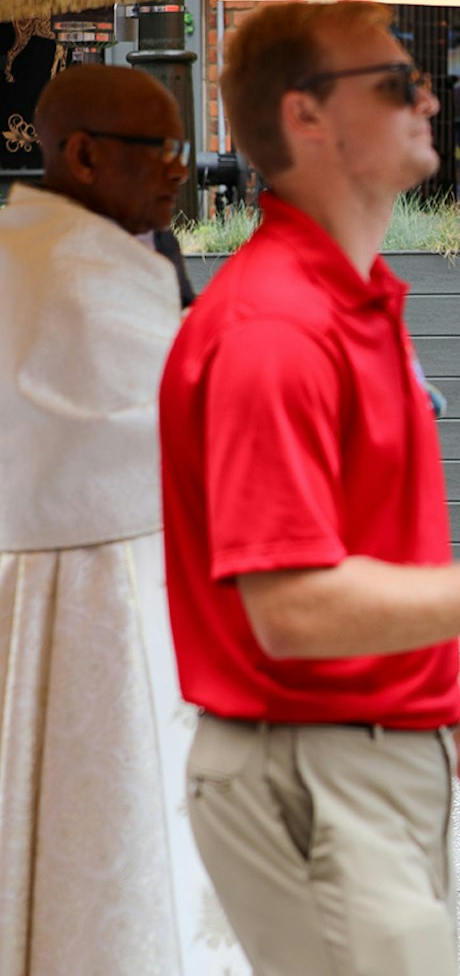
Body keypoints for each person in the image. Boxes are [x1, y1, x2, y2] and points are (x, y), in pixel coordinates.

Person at [159, 1, 460, 975]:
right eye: (398, 82)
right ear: (308, 116)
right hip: (315, 761)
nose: (431, 97)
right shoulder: (274, 325)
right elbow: (292, 605)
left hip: (365, 747)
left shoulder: (347, 302)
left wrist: (457, 712)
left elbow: (377, 553)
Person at [0, 64, 246, 976]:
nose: (182, 170)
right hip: (90, 597)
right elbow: (206, 411)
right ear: (83, 155)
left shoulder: (107, 252)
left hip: (133, 577)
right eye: (162, 151)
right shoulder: (59, 273)